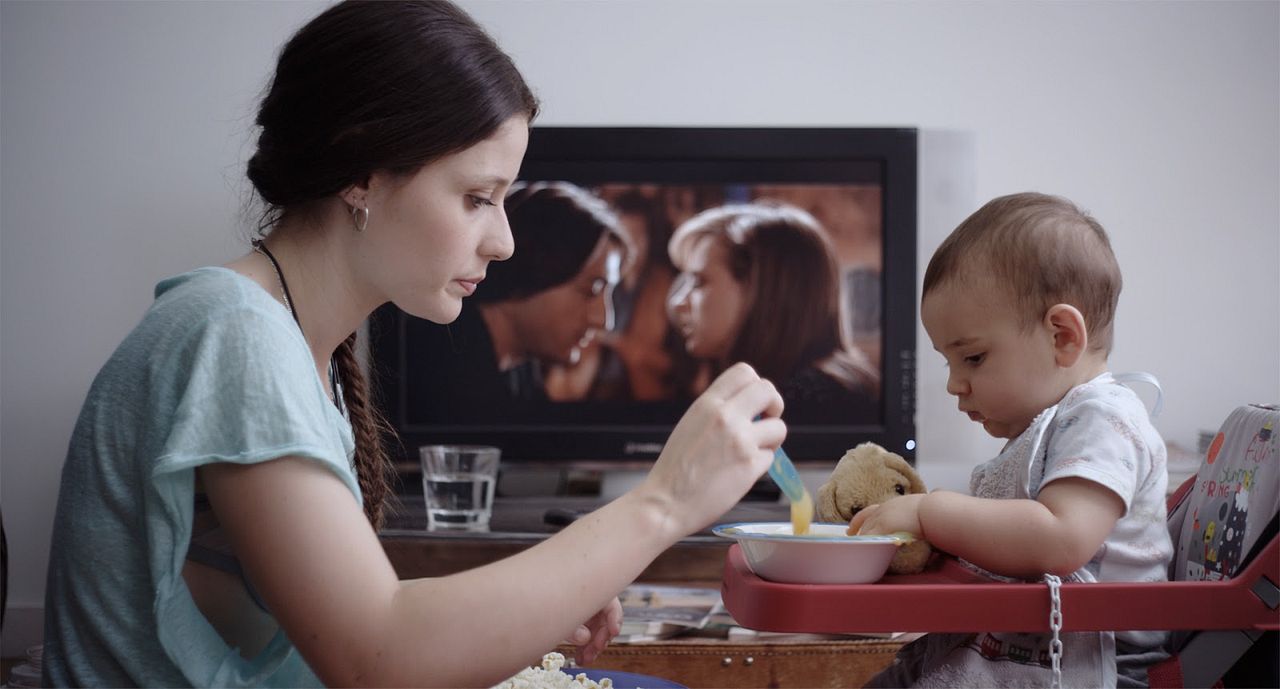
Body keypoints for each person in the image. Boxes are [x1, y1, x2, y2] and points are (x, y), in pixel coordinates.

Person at [40, 2, 786, 687]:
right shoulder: (233, 333)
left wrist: (523, 618)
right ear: (362, 172)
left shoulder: (291, 342)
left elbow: (336, 620)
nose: (503, 241)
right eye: (476, 198)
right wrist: (663, 502)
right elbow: (376, 653)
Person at [850, 192, 1173, 688]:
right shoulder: (1049, 427)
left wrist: (927, 513)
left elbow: (1061, 537)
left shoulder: (1104, 417)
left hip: (1088, 665)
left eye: (973, 358)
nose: (954, 383)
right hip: (1006, 647)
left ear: (1062, 336)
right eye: (948, 361)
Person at [405, 180, 634, 410]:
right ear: (533, 269)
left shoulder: (520, 375)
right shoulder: (443, 377)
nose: (604, 319)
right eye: (592, 290)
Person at [666, 201, 879, 424]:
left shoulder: (806, 404)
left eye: (699, 282)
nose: (679, 302)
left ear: (759, 291)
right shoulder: (796, 389)